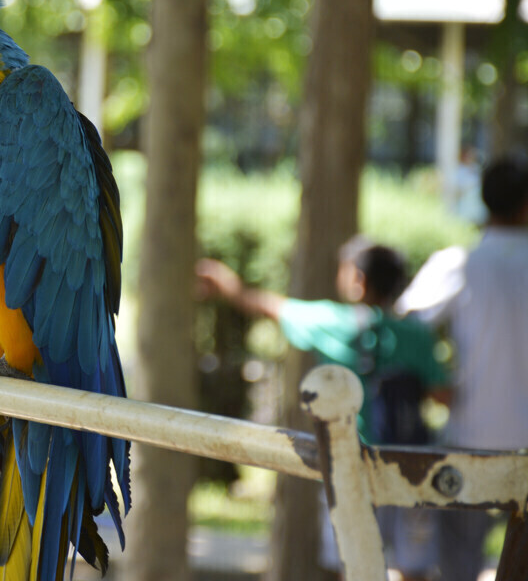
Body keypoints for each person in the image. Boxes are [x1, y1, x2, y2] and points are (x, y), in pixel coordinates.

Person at [197, 236, 448, 581]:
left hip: (352, 462)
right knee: (413, 566)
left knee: (349, 563)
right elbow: (442, 393)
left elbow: (268, 306)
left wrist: (226, 284)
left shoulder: (334, 322)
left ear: (359, 281)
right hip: (411, 463)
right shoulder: (416, 334)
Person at [397, 153, 528, 581]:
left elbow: (404, 328)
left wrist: (436, 381)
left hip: (472, 438)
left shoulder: (460, 263)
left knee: (459, 562)